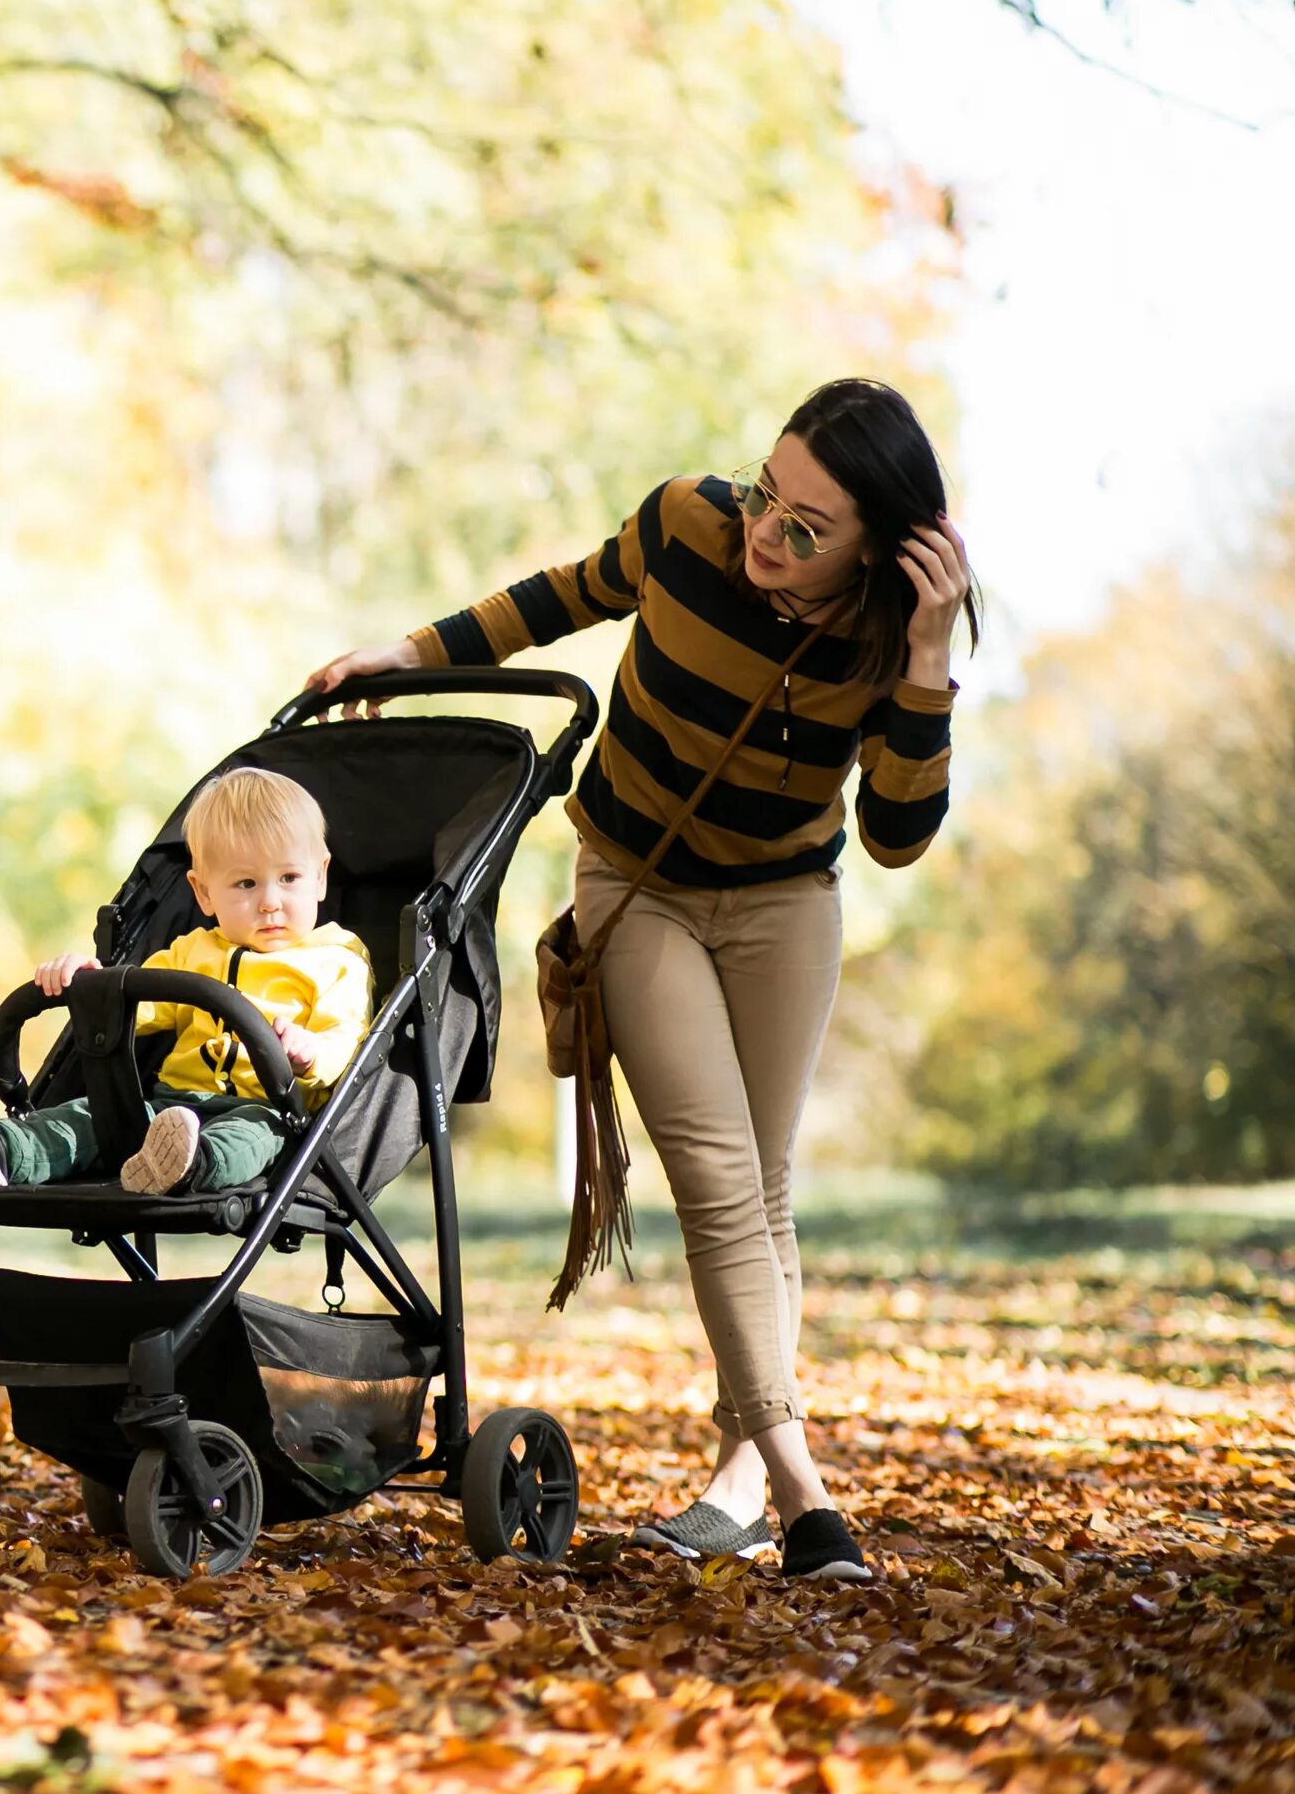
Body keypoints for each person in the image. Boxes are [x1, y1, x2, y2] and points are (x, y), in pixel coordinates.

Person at [305, 377, 978, 1584]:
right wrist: (407, 654)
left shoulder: (886, 639)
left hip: (786, 904)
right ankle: (808, 1493)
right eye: (769, 495)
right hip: (639, 884)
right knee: (719, 1181)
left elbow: (896, 836)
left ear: (882, 549)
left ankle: (740, 1476)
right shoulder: (685, 524)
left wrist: (927, 663)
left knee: (764, 1190)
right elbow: (557, 598)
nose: (768, 531)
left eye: (809, 526)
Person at [0, 766, 372, 1196]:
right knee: (87, 1117)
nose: (270, 901)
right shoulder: (191, 952)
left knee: (246, 1139)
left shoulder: (335, 960)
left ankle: (189, 1167)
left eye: (289, 878)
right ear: (204, 893)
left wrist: (310, 1053)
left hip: (271, 1108)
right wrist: (88, 983)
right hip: (169, 1108)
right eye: (246, 885)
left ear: (320, 878)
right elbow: (131, 1009)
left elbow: (346, 1037)